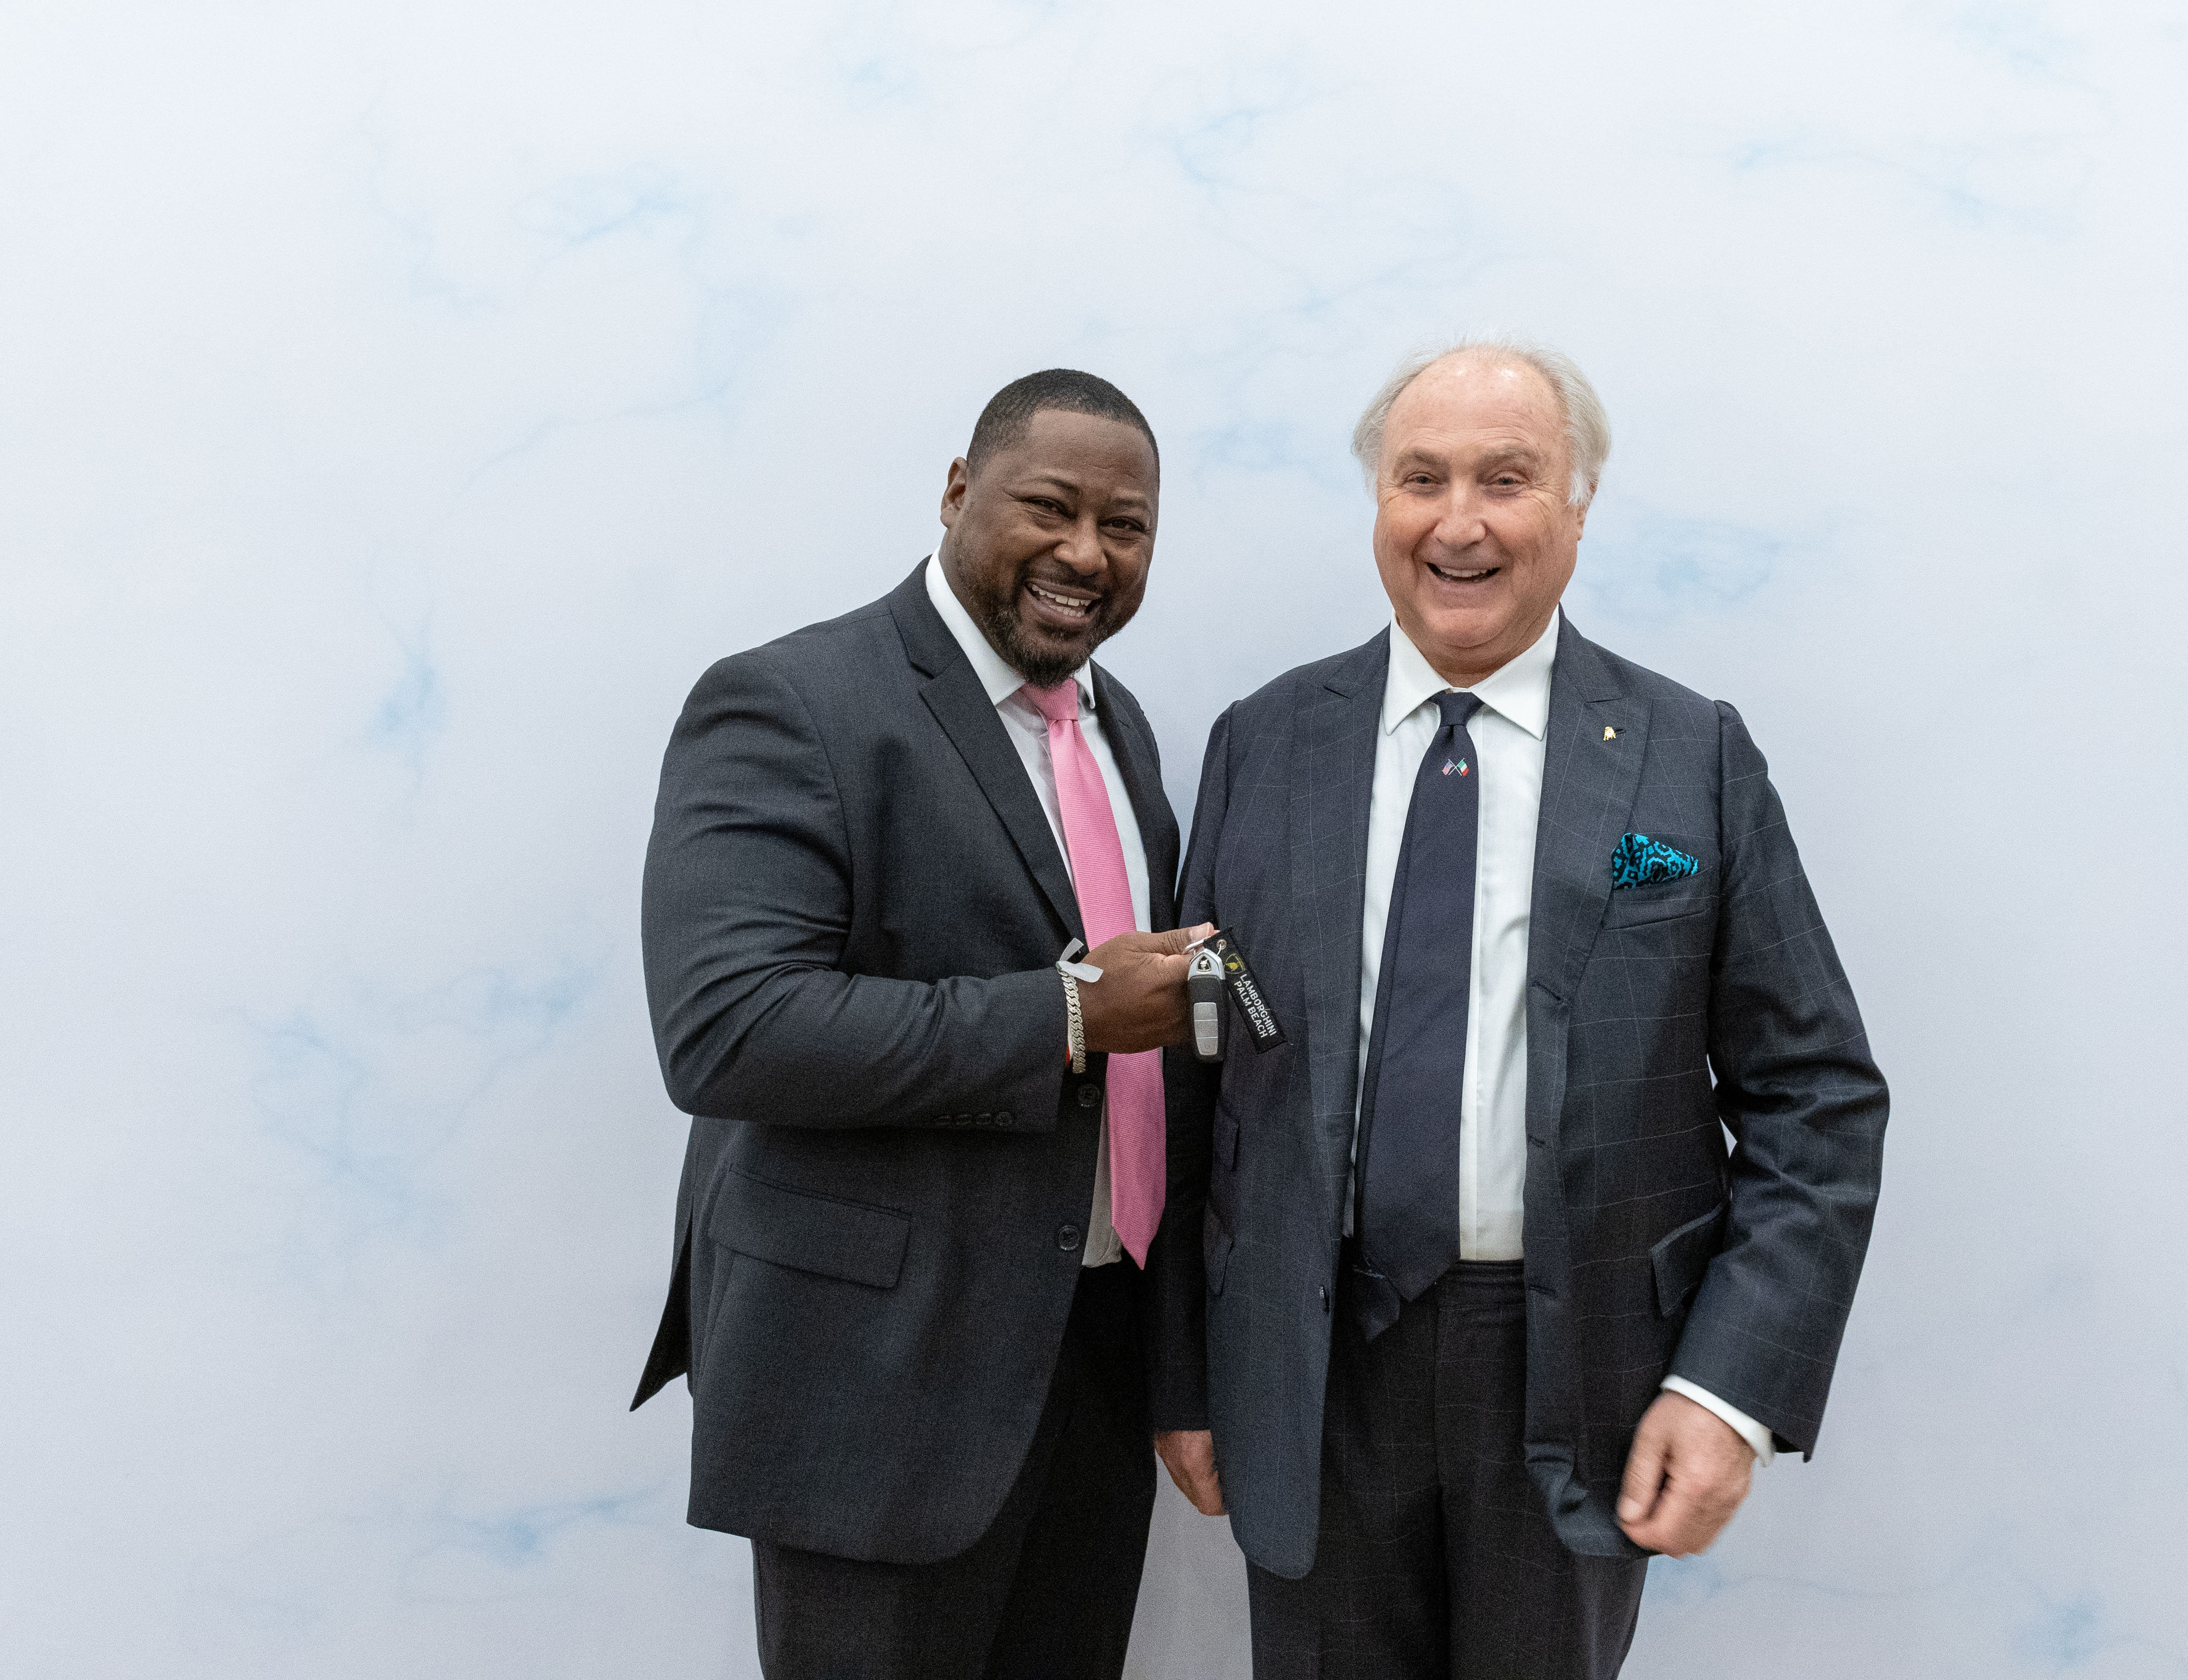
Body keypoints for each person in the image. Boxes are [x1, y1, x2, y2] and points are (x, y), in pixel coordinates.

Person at [1148, 335, 1890, 1678]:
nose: (1460, 522)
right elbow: (1195, 1078)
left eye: (1507, 478)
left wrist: (1729, 1388)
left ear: (1578, 506)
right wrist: (1185, 1372)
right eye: (1421, 478)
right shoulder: (1264, 742)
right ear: (1379, 502)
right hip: (1310, 1374)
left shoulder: (1692, 755)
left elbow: (1817, 1099)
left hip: (1584, 1380)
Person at [631, 368, 1210, 1679]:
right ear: (957, 491)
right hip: (875, 1389)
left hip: (1091, 1368)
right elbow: (729, 1028)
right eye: (1051, 507)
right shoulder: (790, 701)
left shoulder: (1120, 729)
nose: (1086, 552)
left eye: (1125, 526)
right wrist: (1072, 1013)